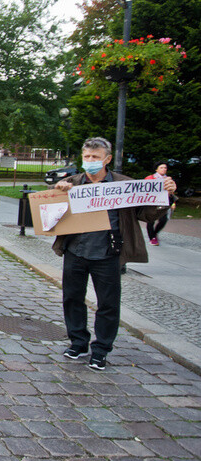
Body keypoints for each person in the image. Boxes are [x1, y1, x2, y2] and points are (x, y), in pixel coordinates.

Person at [54, 137, 175, 370]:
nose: (90, 161)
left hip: (108, 252)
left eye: (95, 157)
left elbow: (147, 214)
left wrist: (166, 196)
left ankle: (101, 350)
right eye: (86, 157)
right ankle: (78, 342)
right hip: (75, 250)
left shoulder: (124, 185)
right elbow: (47, 205)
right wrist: (59, 191)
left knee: (108, 304)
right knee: (72, 298)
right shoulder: (73, 182)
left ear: (107, 159)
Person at [145, 161, 176, 246]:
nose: (164, 169)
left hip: (164, 202)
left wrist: (173, 202)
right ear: (156, 169)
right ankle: (152, 238)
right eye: (161, 167)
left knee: (163, 220)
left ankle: (155, 234)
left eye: (165, 168)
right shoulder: (150, 178)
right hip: (152, 202)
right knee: (150, 220)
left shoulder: (168, 179)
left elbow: (171, 192)